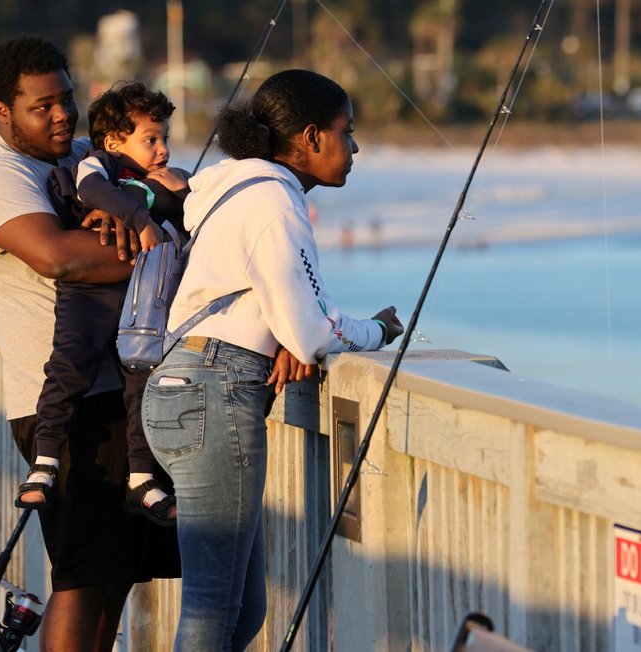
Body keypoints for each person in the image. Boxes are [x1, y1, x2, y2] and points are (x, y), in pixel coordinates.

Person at [142, 69, 405, 651]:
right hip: (215, 394)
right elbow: (312, 329)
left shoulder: (236, 188)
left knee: (242, 612)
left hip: (185, 388)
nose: (355, 146)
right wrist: (378, 330)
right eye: (347, 131)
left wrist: (284, 330)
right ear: (311, 137)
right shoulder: (274, 204)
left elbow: (285, 302)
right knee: (213, 608)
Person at [0, 36, 180, 650]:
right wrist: (154, 239)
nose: (61, 115)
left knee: (119, 578)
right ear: (3, 110)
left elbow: (168, 185)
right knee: (82, 578)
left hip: (125, 394)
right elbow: (61, 259)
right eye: (42, 105)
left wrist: (147, 208)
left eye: (68, 99)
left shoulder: (85, 155)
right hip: (61, 404)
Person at [16, 80, 189, 529]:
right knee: (68, 368)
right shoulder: (101, 165)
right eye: (151, 139)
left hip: (141, 305)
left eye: (165, 139)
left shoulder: (160, 180)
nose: (162, 149)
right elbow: (92, 190)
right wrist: (139, 219)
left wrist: (184, 190)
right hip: (89, 298)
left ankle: (141, 478)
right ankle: (46, 459)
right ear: (115, 141)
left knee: (142, 384)